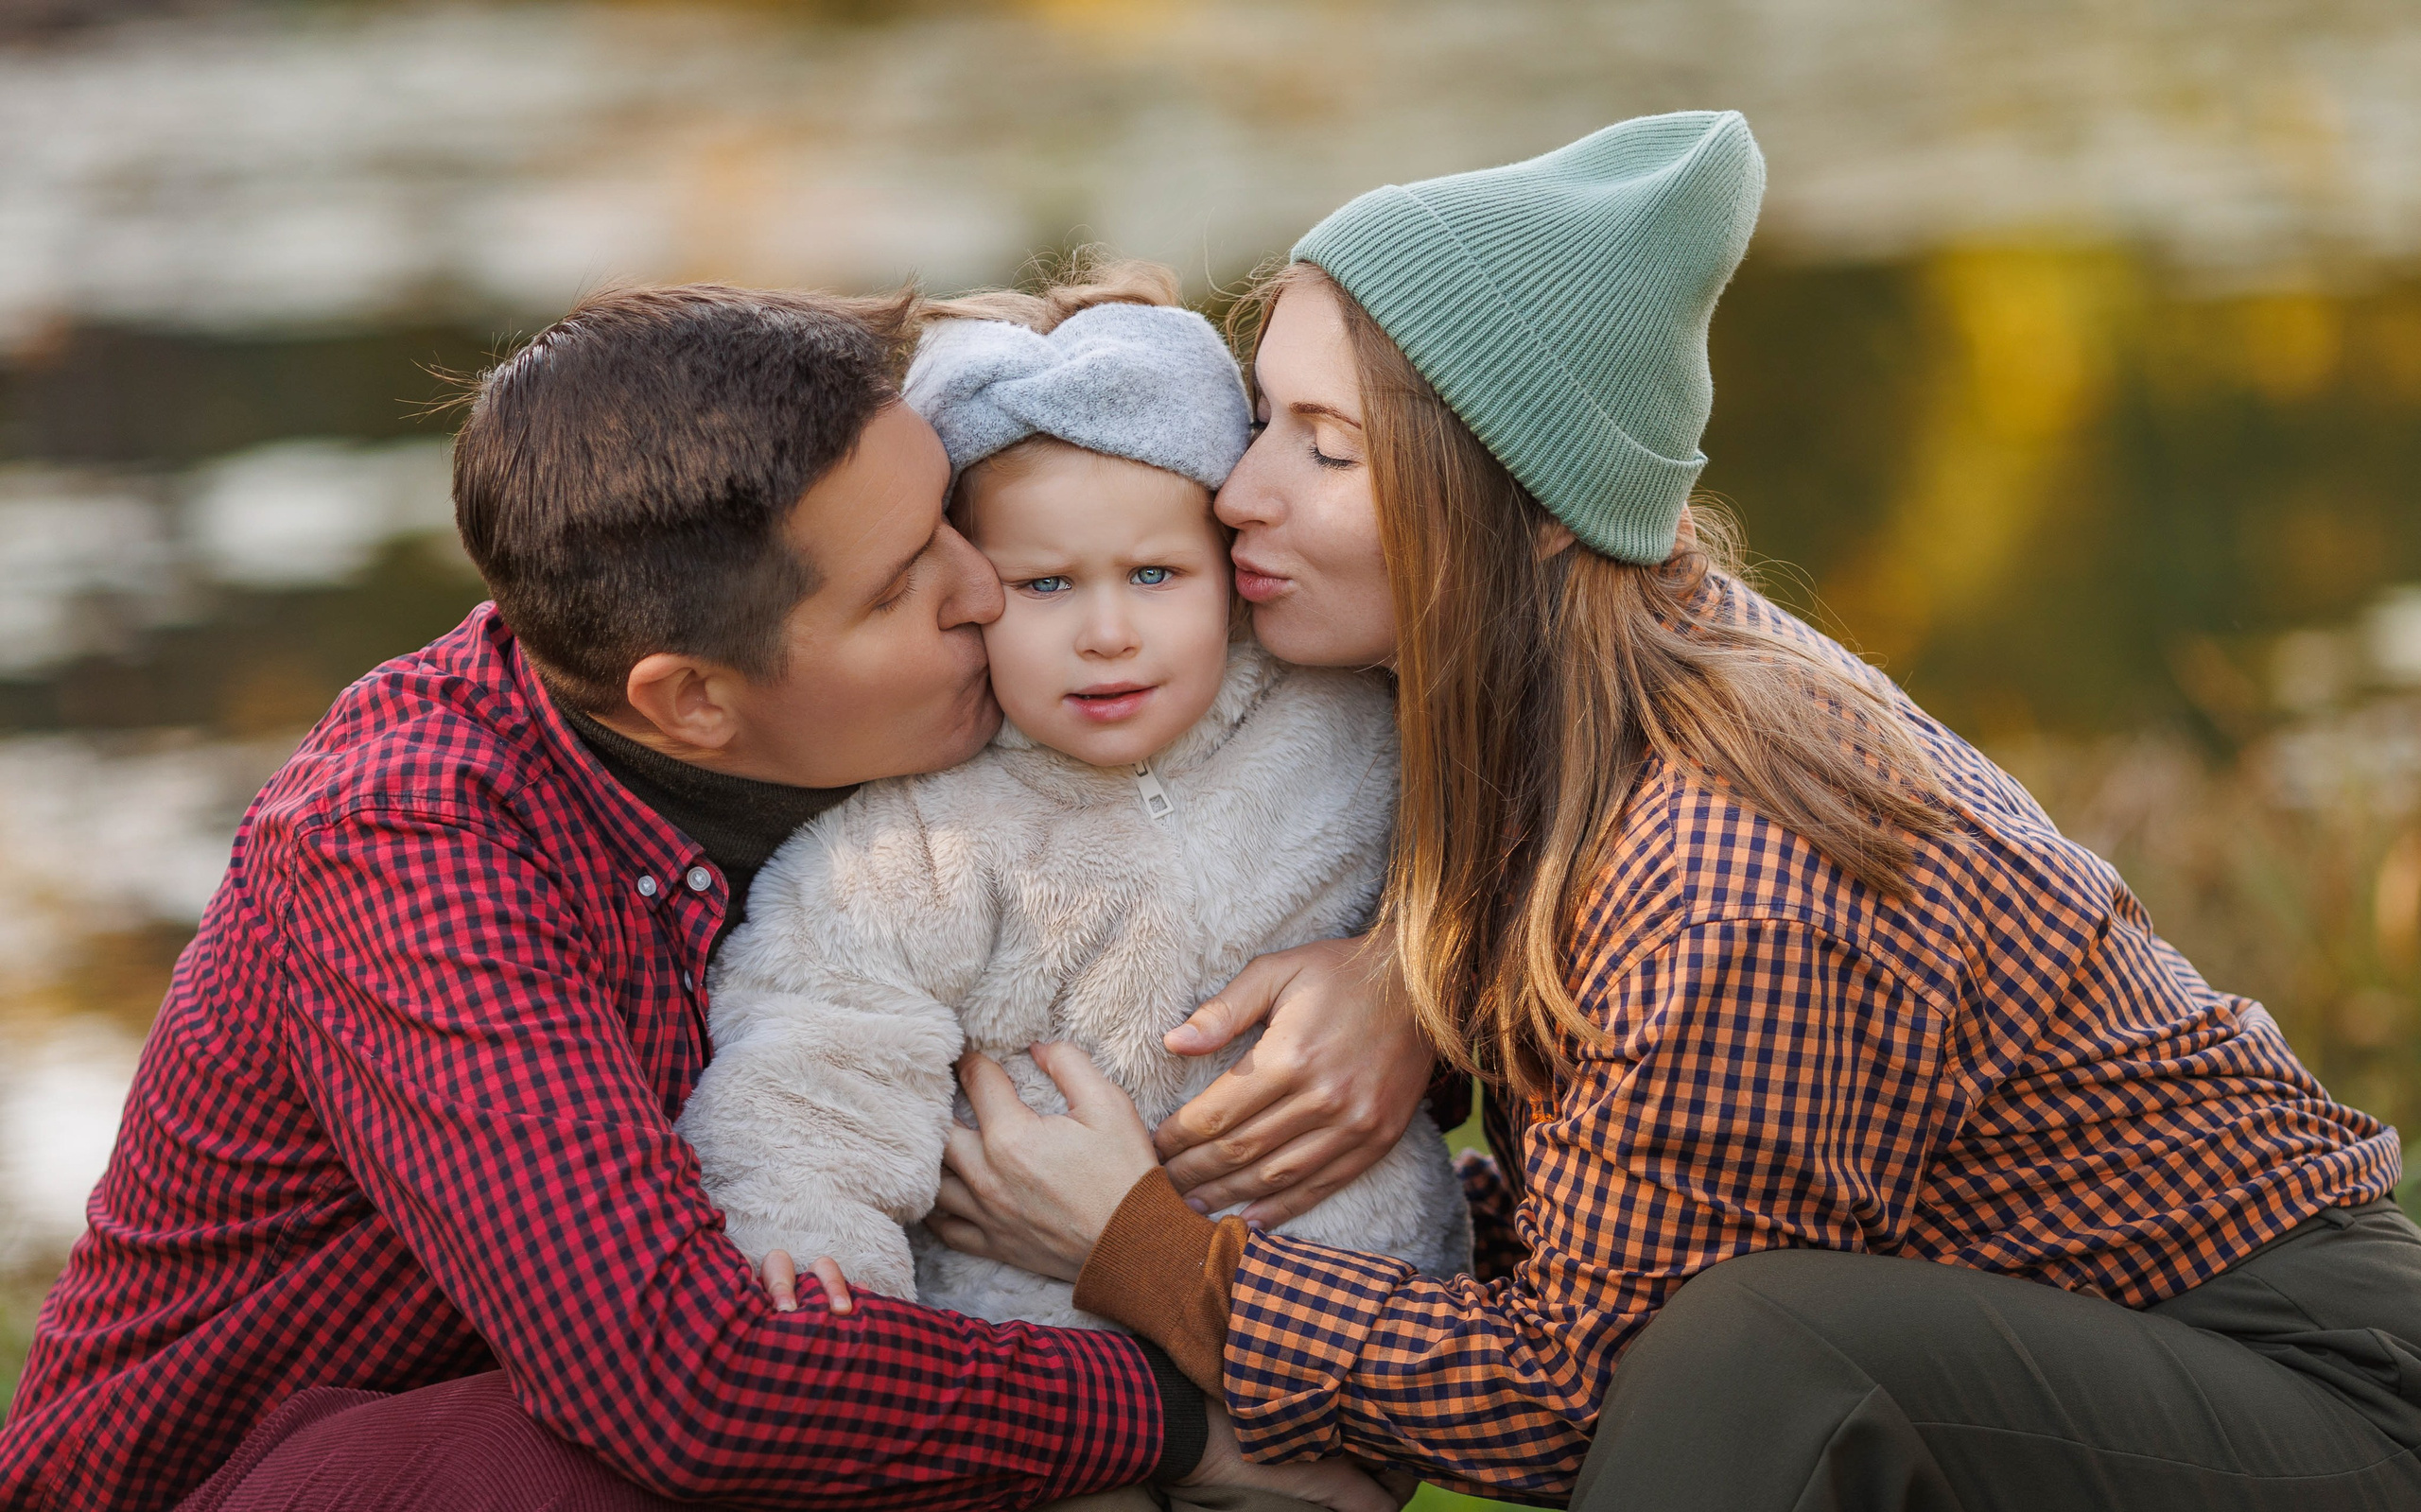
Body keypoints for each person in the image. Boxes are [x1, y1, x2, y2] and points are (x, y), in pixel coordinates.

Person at [925, 112, 2421, 1510]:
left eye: (1327, 446)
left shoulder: (1730, 867)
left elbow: (1583, 1393)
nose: (1236, 494)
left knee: (1749, 1355)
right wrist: (1413, 961)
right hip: (2018, 1342)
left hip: (2302, 1400)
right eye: (1264, 418)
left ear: (1540, 500)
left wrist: (1158, 1254)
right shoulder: (1551, 642)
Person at [0, 283, 1429, 1512]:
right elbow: (680, 1381)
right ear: (690, 701)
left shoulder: (917, 673)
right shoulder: (405, 845)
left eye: (951, 518)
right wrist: (1203, 1405)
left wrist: (1405, 968)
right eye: (900, 588)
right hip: (307, 1466)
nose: (989, 591)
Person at [676, 262, 1469, 1334]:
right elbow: (820, 1052)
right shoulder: (917, 831)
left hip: (1364, 1320)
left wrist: (1408, 976)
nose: (1106, 633)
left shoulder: (1350, 726)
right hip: (1045, 1351)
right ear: (965, 588)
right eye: (1043, 585)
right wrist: (812, 1243)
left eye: (1154, 575)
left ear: (1231, 569)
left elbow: (1492, 897)